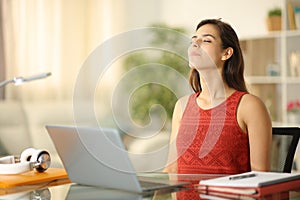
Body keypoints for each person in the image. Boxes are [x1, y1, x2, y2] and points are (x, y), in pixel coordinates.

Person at [164, 19, 272, 175]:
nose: (196, 44)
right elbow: (171, 169)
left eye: (206, 40)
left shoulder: (249, 106)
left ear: (226, 53)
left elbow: (260, 176)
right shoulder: (182, 106)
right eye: (193, 41)